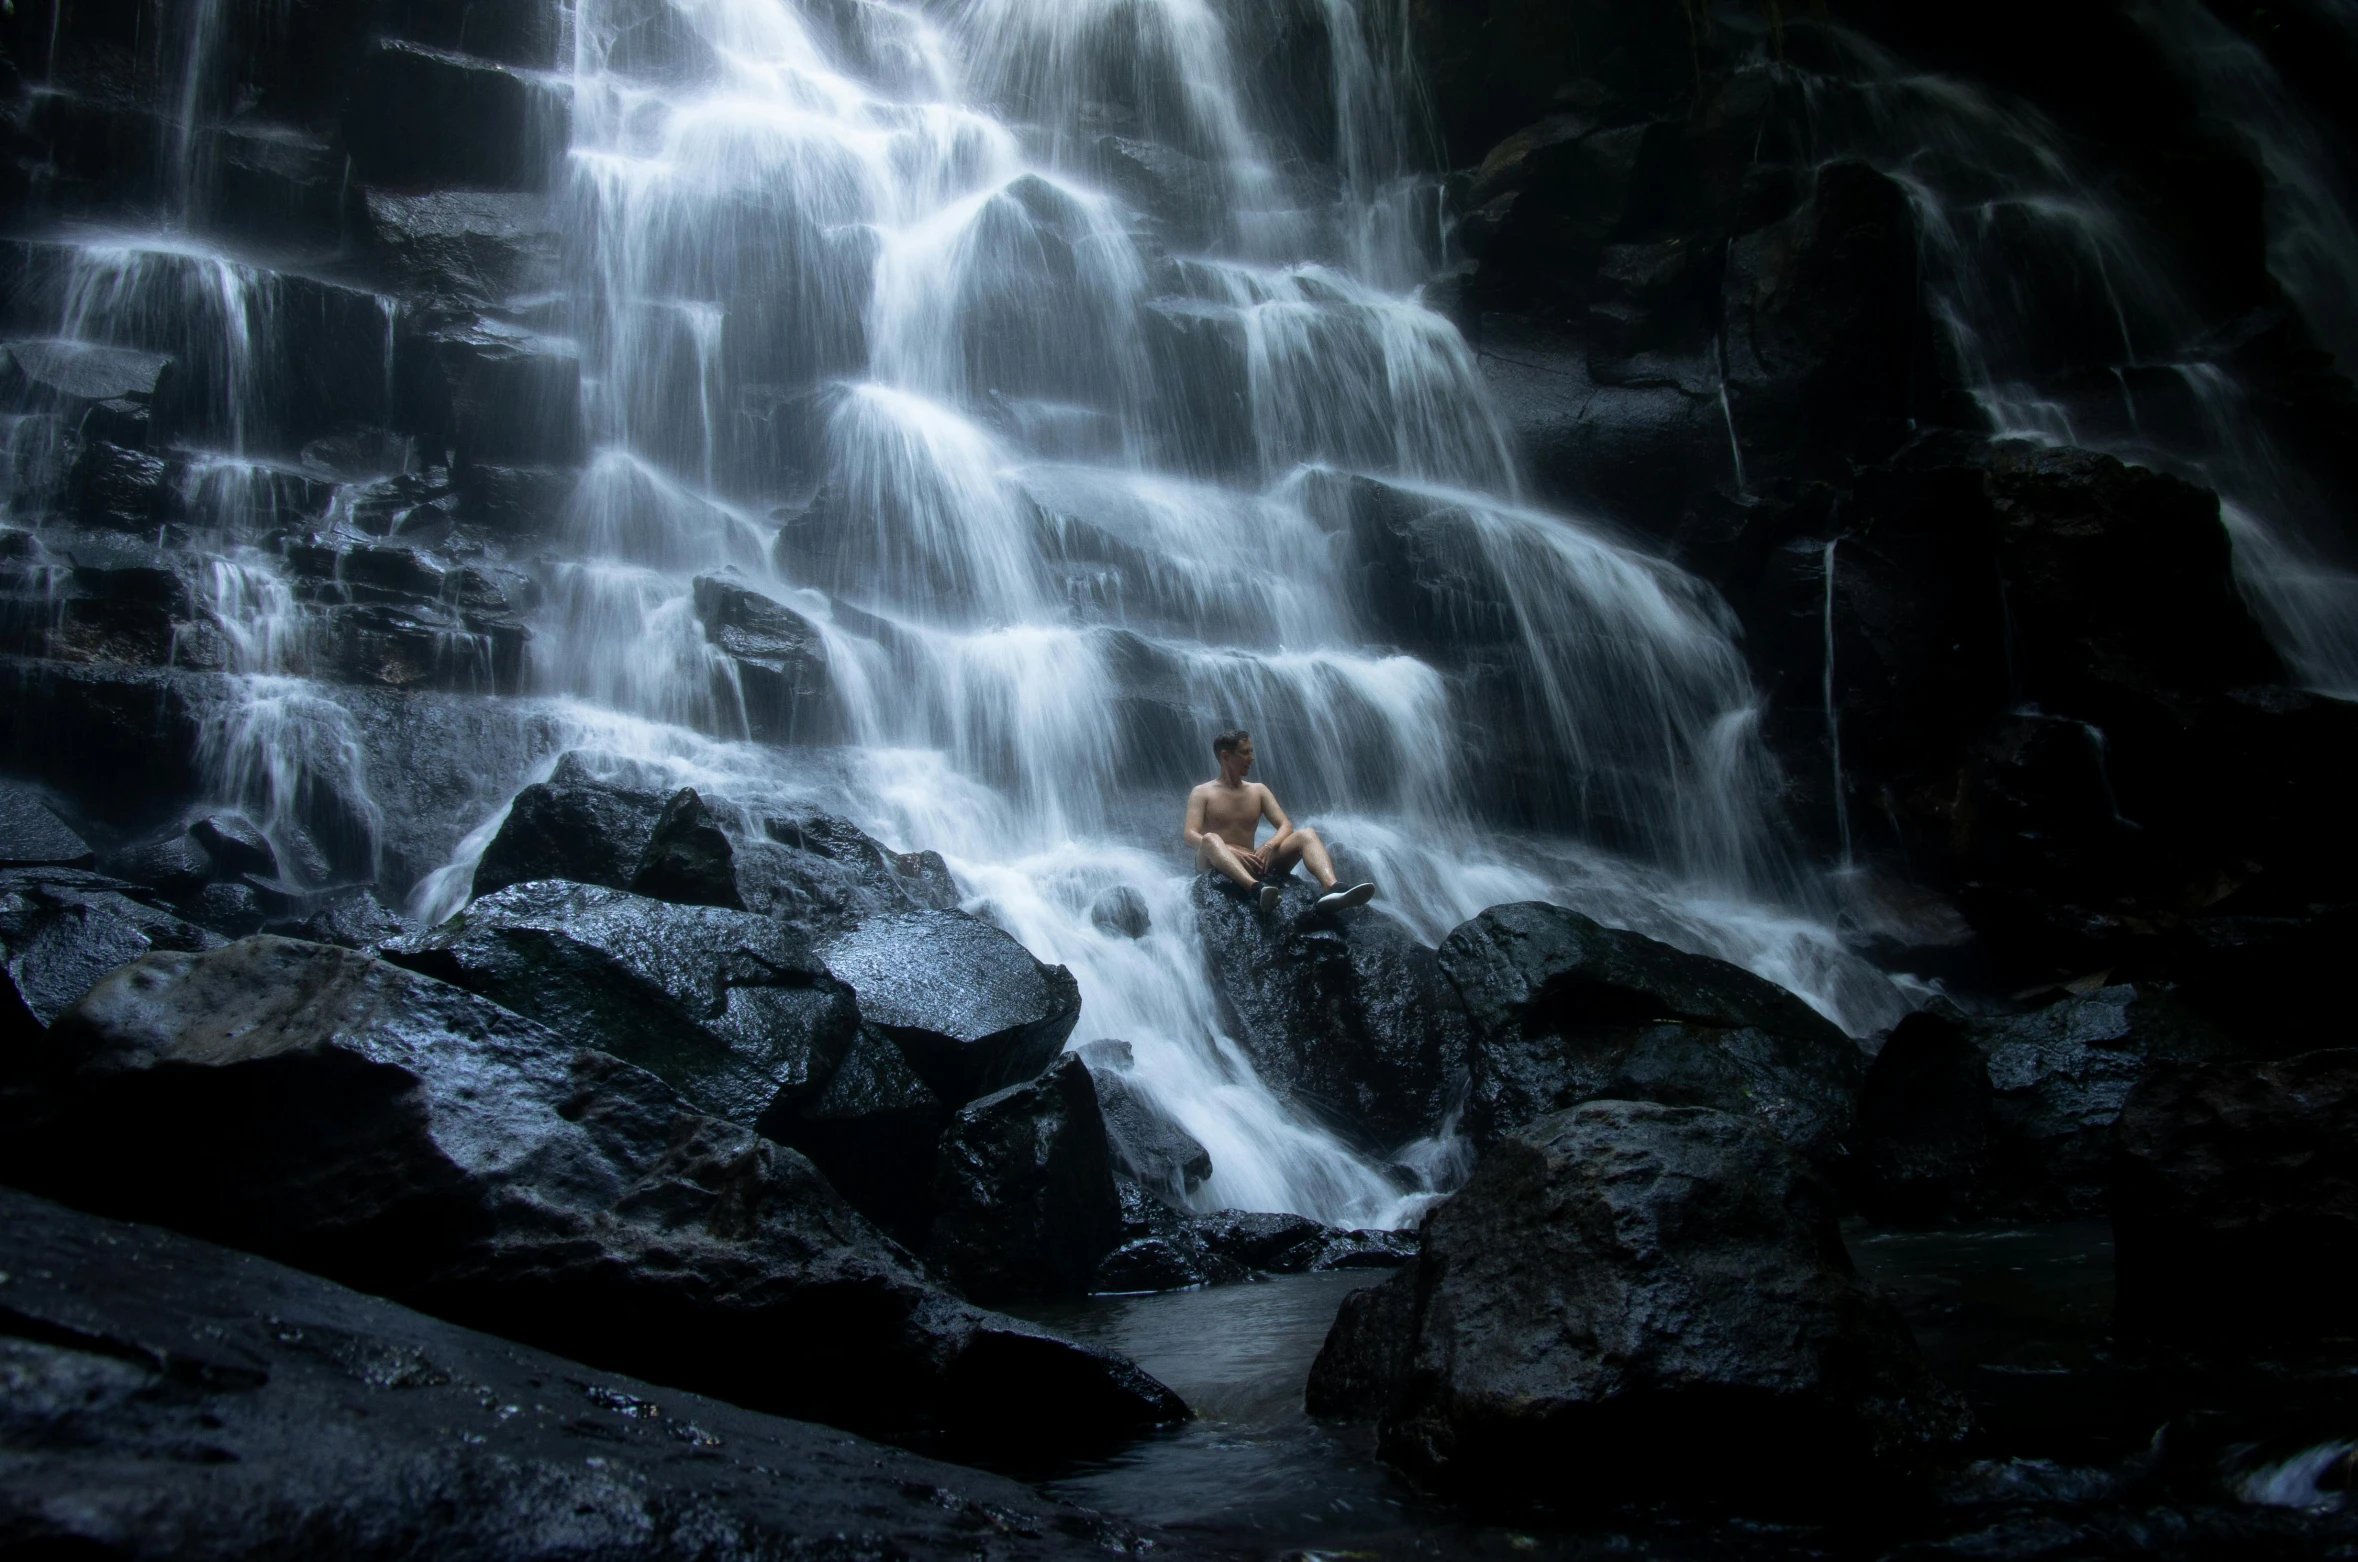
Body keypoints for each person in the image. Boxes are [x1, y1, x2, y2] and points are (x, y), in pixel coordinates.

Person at [1182, 727, 1376, 914]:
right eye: (1245, 752)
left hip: (1253, 860)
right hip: (1214, 864)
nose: (1252, 758)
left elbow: (1285, 825)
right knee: (1210, 839)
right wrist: (1228, 849)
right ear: (1225, 756)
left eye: (1251, 751)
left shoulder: (1258, 790)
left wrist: (1269, 846)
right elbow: (1190, 835)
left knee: (1306, 834)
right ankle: (1256, 889)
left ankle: (1333, 888)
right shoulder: (1202, 792)